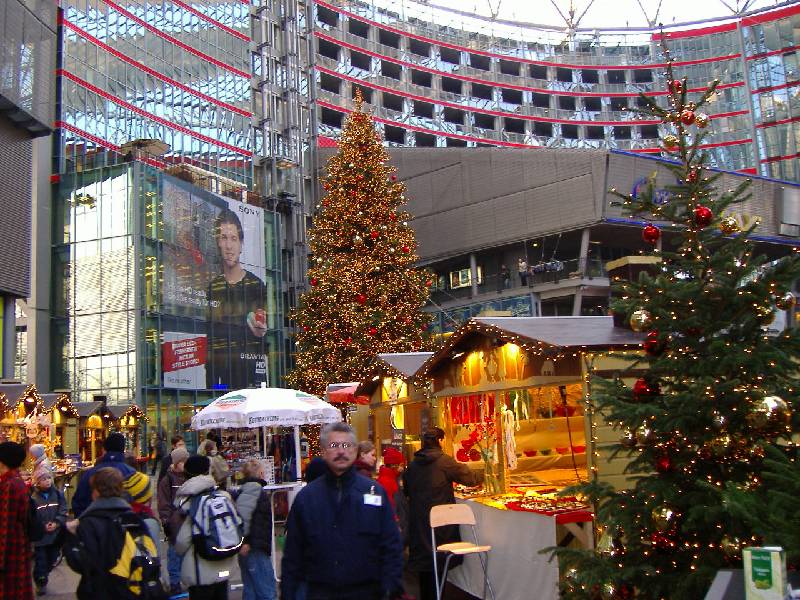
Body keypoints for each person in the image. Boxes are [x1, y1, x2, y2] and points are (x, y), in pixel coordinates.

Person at [281, 422, 404, 600]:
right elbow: (293, 555)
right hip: (320, 592)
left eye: (346, 445)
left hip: (367, 592)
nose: (341, 451)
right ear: (323, 452)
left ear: (355, 450)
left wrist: (391, 588)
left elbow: (391, 545)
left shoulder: (374, 492)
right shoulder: (307, 498)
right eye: (334, 445)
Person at [403, 427, 484, 600]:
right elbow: (469, 479)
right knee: (439, 564)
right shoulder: (444, 461)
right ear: (440, 441)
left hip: (419, 521)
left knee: (425, 567)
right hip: (440, 523)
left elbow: (407, 490)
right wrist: (486, 473)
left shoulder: (413, 464)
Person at [63, 467, 160, 599]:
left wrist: (70, 537)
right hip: (131, 590)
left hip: (101, 591)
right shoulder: (134, 519)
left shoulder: (89, 523)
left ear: (96, 492)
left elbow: (82, 563)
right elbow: (150, 557)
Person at [207, 208, 268, 389]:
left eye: (233, 239)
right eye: (224, 238)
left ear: (241, 244)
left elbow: (262, 326)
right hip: (218, 376)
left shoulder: (256, 285)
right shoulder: (212, 287)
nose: (229, 246)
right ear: (218, 242)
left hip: (249, 375)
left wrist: (260, 328)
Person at [174, 454, 239, 600]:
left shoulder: (190, 502)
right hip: (224, 565)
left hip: (200, 571)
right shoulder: (223, 496)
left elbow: (182, 542)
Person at [234, 459, 276, 600]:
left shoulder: (247, 489)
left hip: (252, 544)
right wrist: (245, 540)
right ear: (259, 472)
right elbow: (243, 515)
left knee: (251, 588)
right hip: (254, 546)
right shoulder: (254, 490)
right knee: (266, 590)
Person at [71, 432, 136, 517]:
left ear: (104, 449)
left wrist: (85, 522)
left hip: (93, 525)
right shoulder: (132, 473)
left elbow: (78, 503)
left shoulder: (89, 474)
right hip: (123, 525)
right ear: (123, 449)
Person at [0, 441, 34, 600]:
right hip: (19, 545)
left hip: (11, 549)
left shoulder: (9, 485)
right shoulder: (16, 481)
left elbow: (5, 525)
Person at [158, 446, 190, 596]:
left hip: (187, 523)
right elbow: (163, 503)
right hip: (175, 524)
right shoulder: (168, 480)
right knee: (174, 555)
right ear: (176, 462)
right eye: (183, 461)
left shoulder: (189, 477)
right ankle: (174, 582)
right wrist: (166, 522)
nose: (185, 463)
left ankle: (186, 580)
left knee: (187, 554)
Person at [30, 470, 68, 595]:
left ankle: (43, 574)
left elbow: (63, 510)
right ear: (37, 482)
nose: (47, 481)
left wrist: (57, 522)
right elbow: (32, 517)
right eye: (43, 479)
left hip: (55, 535)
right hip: (41, 537)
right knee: (41, 560)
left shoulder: (57, 494)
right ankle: (41, 581)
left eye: (48, 478)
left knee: (52, 558)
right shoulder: (33, 498)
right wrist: (42, 526)